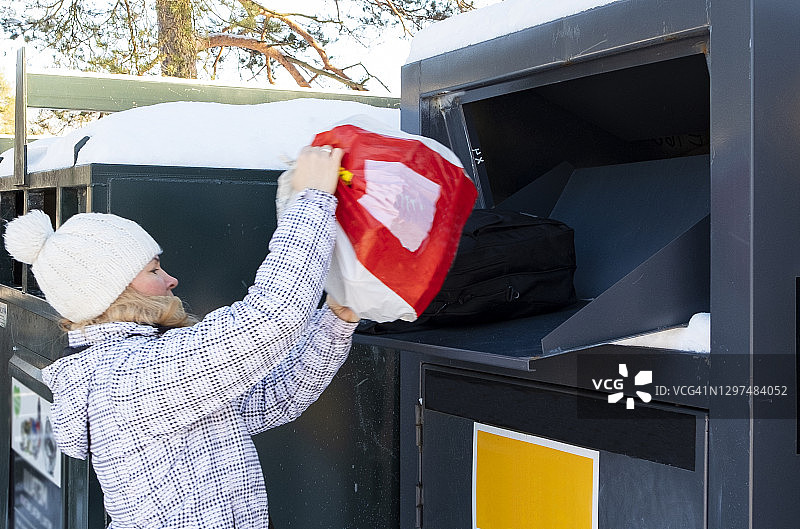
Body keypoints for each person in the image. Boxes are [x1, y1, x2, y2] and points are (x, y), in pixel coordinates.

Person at [4, 145, 358, 529]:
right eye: (154, 270)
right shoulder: (133, 376)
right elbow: (270, 317)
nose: (171, 279)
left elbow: (273, 399)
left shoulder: (128, 368)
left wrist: (335, 320)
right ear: (115, 290)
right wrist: (313, 200)